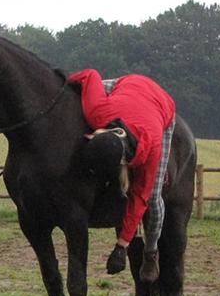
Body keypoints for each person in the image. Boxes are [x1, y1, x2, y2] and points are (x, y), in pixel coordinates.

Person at [66, 68, 176, 283]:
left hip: (161, 105)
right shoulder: (98, 113)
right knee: (79, 94)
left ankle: (151, 252)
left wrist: (122, 246)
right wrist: (65, 83)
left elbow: (139, 197)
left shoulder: (151, 148)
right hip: (126, 85)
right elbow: (89, 75)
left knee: (153, 197)